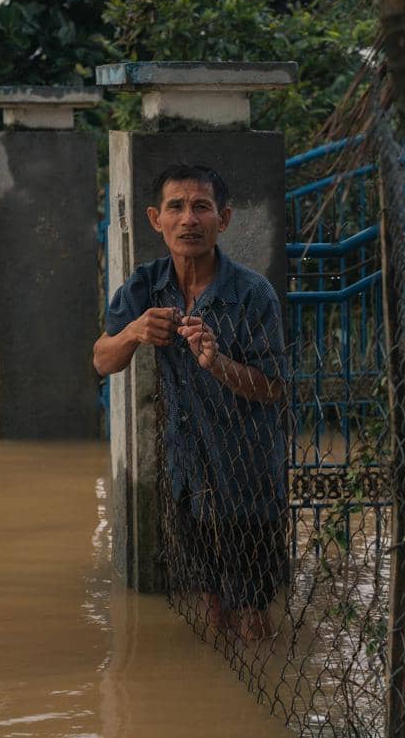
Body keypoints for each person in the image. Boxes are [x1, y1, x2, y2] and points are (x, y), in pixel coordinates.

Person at [93, 164, 288, 641]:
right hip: (184, 469)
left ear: (224, 219)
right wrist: (135, 332)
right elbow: (102, 359)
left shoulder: (252, 294)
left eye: (201, 207)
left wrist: (217, 363)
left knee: (253, 613)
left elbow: (274, 387)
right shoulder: (145, 284)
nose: (189, 220)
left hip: (247, 476)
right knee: (210, 602)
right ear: (156, 219)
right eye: (176, 208)